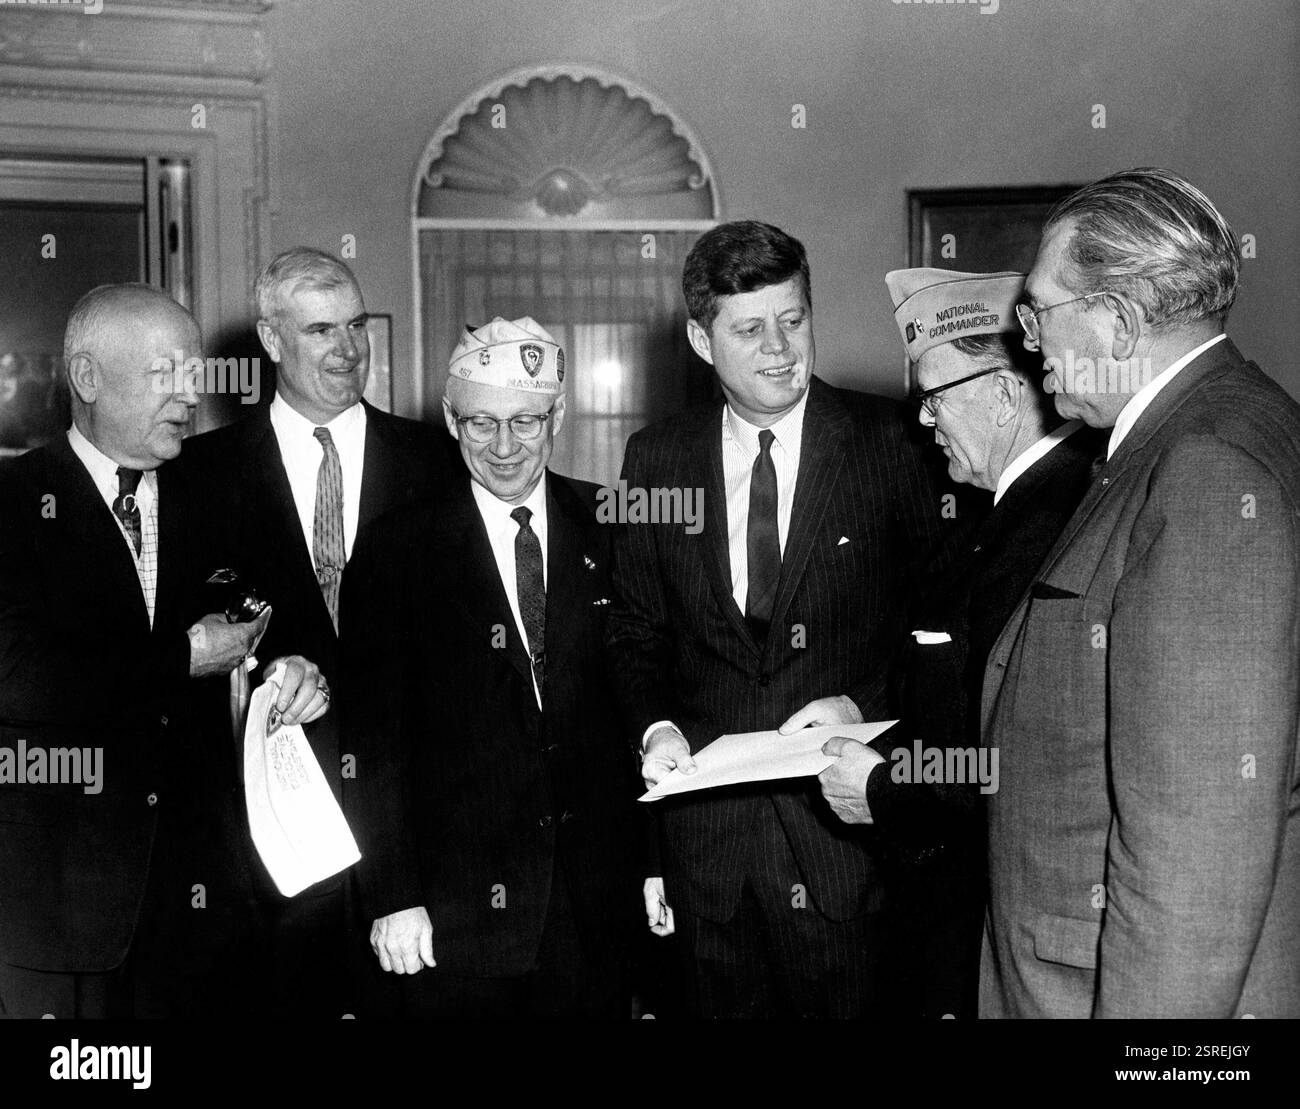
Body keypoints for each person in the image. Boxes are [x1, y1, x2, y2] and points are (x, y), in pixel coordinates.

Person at [981, 167, 1300, 1018]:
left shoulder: (1202, 469)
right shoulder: (1228, 421)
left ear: (1117, 322)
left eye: (1039, 310)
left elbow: (1195, 858)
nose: (1028, 340)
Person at [606, 220, 944, 1018]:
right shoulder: (655, 458)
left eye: (793, 321)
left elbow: (942, 633)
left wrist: (866, 707)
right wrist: (655, 729)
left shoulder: (893, 442)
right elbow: (632, 630)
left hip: (848, 855)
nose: (779, 349)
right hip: (710, 864)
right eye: (749, 329)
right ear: (699, 338)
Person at [0, 284, 325, 1018]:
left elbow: (279, 618)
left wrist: (296, 669)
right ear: (88, 377)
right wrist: (183, 656)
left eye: (195, 372)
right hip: (59, 907)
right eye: (166, 373)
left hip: (203, 904)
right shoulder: (15, 504)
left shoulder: (218, 494)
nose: (190, 393)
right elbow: (19, 677)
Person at [816, 267, 1105, 1018]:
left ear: (1005, 394)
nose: (923, 423)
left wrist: (880, 790)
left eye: (934, 399)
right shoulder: (1004, 514)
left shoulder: (1046, 528)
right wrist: (859, 711)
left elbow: (1006, 756)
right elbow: (957, 687)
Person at [182, 247, 459, 1017]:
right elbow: (183, 636)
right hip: (266, 848)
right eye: (320, 330)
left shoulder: (441, 462)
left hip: (418, 840)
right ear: (271, 340)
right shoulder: (199, 476)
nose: (348, 349)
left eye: (358, 326)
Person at [342, 317, 645, 1017]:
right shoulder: (395, 550)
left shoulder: (613, 524)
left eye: (525, 422)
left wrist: (655, 865)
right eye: (480, 423)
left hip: (593, 907)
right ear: (450, 419)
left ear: (557, 414)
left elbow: (644, 705)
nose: (504, 447)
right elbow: (370, 747)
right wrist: (394, 896)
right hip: (453, 917)